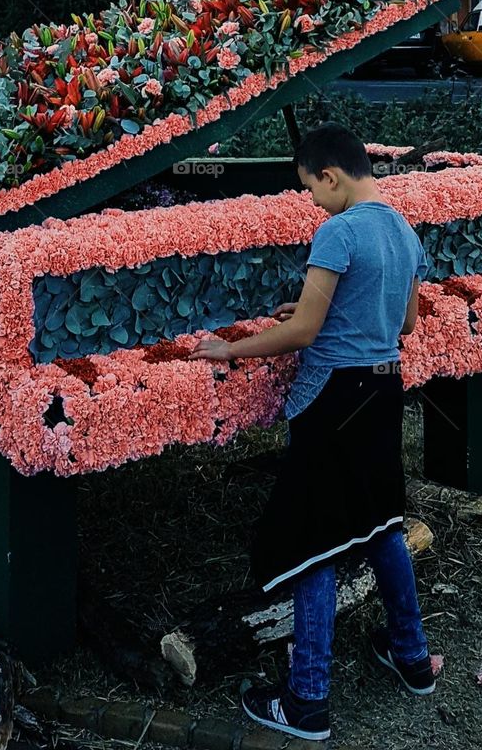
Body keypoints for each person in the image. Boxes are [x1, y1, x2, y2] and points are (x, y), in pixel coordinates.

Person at [187, 124, 435, 741]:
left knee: (313, 539)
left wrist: (228, 349)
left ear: (330, 174)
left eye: (310, 188)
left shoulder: (339, 231)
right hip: (383, 390)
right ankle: (411, 656)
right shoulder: (403, 230)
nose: (313, 202)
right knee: (381, 524)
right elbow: (402, 321)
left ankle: (307, 699)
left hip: (333, 398)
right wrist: (311, 312)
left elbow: (304, 336)